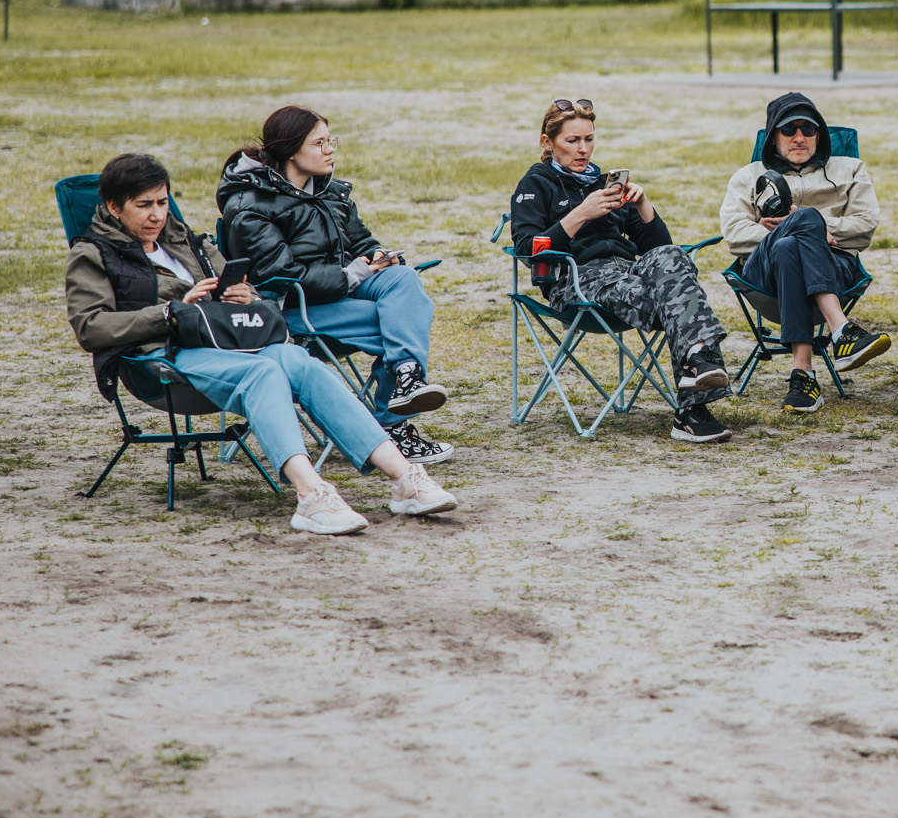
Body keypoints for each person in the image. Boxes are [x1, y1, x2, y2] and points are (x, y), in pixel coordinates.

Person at [67, 152, 456, 534]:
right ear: (114, 208)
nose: (156, 214)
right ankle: (311, 494)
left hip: (226, 339)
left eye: (163, 202)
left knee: (300, 362)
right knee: (265, 372)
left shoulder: (184, 240)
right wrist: (168, 313)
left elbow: (241, 285)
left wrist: (244, 296)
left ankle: (405, 478)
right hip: (162, 359)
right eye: (143, 205)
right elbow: (90, 327)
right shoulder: (94, 253)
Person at [217, 107, 454, 465]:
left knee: (403, 279)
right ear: (291, 150)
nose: (330, 150)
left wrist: (378, 256)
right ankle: (392, 427)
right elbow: (282, 275)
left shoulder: (330, 192)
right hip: (290, 309)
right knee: (398, 320)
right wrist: (354, 274)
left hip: (339, 297)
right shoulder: (250, 206)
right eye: (320, 143)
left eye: (331, 141)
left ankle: (407, 379)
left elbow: (361, 242)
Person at [511, 98, 734, 443]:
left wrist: (644, 206)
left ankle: (697, 364)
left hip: (628, 273)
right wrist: (581, 214)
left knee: (673, 259)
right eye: (573, 141)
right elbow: (527, 248)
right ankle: (693, 405)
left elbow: (659, 250)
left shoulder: (606, 183)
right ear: (547, 142)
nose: (583, 149)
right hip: (577, 282)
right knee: (677, 301)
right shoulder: (536, 184)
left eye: (589, 139)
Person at [719, 92, 890, 412]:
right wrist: (802, 224)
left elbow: (867, 224)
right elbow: (734, 235)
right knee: (798, 226)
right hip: (764, 278)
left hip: (835, 267)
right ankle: (843, 331)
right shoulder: (749, 176)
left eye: (809, 130)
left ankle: (804, 375)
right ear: (773, 137)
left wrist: (809, 229)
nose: (800, 137)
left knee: (790, 244)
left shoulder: (851, 169)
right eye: (789, 130)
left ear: (819, 135)